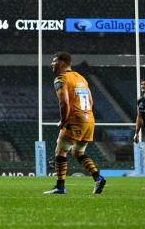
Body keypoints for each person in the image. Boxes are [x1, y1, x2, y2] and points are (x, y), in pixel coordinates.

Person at [44, 52, 106, 195]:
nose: (52, 64)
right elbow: (91, 101)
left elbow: (64, 102)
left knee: (60, 151)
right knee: (78, 152)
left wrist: (63, 121)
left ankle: (60, 187)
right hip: (89, 119)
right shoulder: (80, 77)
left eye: (54, 61)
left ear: (63, 63)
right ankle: (98, 177)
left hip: (75, 120)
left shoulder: (61, 79)